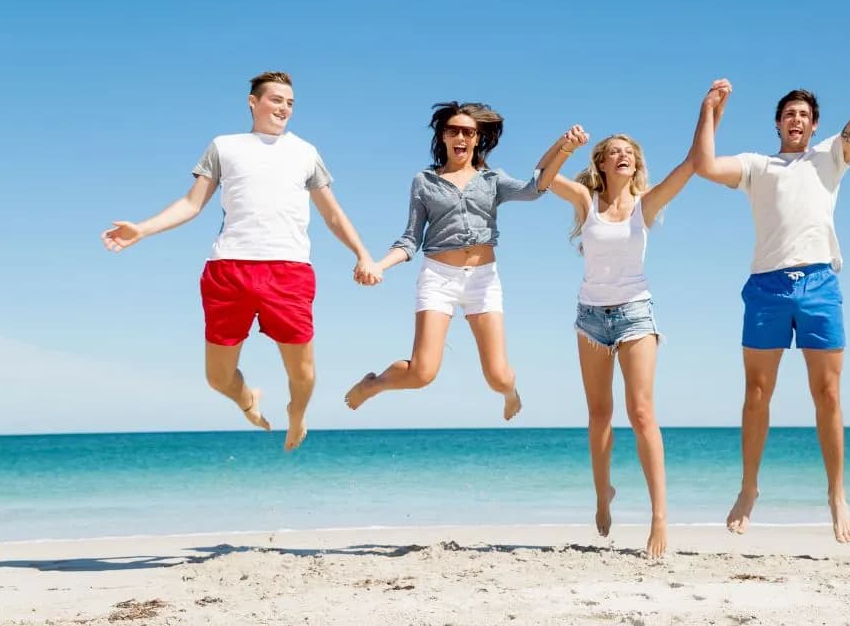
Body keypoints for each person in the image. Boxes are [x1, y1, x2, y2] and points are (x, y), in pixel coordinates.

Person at [689, 2, 850, 543]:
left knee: (827, 395)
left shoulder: (832, 157)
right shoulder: (759, 167)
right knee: (756, 394)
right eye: (790, 113)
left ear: (814, 125)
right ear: (778, 122)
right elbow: (705, 165)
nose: (797, 120)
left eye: (806, 115)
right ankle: (749, 486)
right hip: (765, 286)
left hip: (819, 284)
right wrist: (709, 110)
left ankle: (837, 496)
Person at [101, 71, 377, 452]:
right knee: (217, 377)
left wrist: (362, 253)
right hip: (228, 271)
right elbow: (191, 203)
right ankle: (248, 400)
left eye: (290, 103)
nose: (284, 108)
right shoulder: (224, 147)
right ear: (253, 101)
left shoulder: (305, 153)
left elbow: (332, 214)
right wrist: (142, 230)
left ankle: (296, 416)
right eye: (276, 99)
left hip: (289, 271)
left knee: (303, 373)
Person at [343, 102, 582, 420]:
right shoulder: (425, 181)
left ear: (477, 138)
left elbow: (535, 188)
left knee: (498, 377)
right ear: (442, 136)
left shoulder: (492, 180)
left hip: (483, 279)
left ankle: (511, 394)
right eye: (453, 130)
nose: (460, 136)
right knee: (422, 374)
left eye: (468, 132)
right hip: (438, 277)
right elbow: (411, 238)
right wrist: (378, 265)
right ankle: (374, 385)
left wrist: (564, 148)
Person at [545, 110, 707, 560]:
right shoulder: (584, 200)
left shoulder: (646, 204)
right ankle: (603, 495)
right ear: (601, 164)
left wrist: (709, 110)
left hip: (636, 312)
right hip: (591, 317)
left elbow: (693, 163)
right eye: (613, 152)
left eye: (628, 153)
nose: (622, 156)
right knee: (599, 415)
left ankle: (659, 518)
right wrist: (565, 145)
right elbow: (542, 177)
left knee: (641, 412)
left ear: (636, 164)